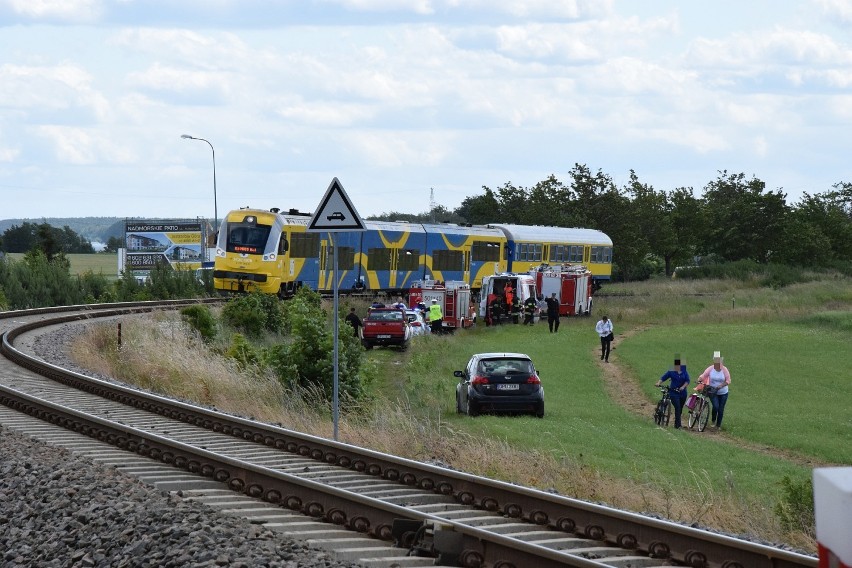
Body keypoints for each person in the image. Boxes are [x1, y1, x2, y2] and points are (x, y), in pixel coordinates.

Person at [698, 351, 731, 429]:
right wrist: (699, 379)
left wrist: (721, 385)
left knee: (721, 408)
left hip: (723, 392)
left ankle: (718, 425)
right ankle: (713, 420)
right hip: (713, 391)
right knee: (715, 406)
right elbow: (704, 375)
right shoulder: (710, 369)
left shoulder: (724, 370)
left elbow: (728, 380)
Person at [655, 357, 690, 428]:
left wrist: (683, 387)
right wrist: (658, 383)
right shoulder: (671, 371)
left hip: (682, 393)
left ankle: (676, 423)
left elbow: (687, 380)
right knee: (677, 407)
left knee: (680, 408)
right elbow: (663, 377)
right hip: (673, 392)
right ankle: (679, 426)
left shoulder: (684, 371)